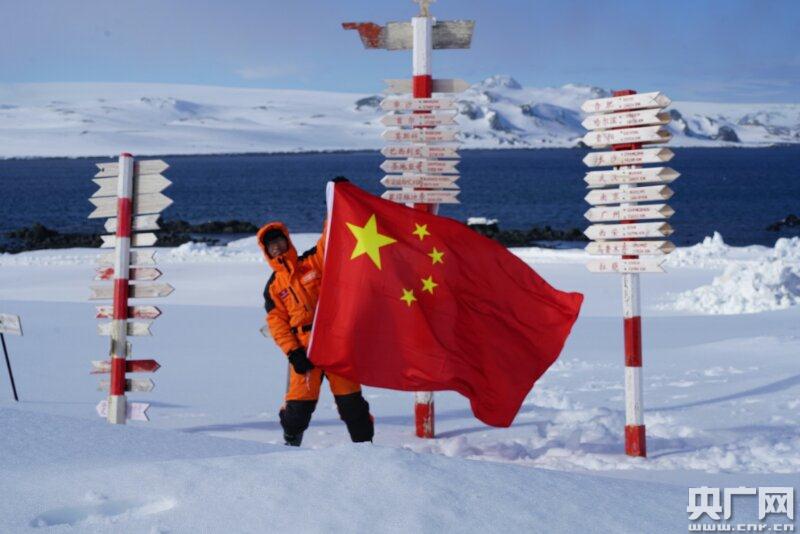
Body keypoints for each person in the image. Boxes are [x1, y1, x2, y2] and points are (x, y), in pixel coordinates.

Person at [258, 219, 374, 446]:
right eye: (271, 245)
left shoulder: (312, 261)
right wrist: (293, 352)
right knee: (298, 410)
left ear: (287, 240)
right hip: (304, 350)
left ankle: (365, 448)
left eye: (279, 241)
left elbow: (329, 239)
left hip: (334, 343)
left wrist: (334, 208)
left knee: (351, 404)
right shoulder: (273, 287)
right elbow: (277, 324)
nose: (277, 247)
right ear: (266, 251)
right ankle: (291, 443)